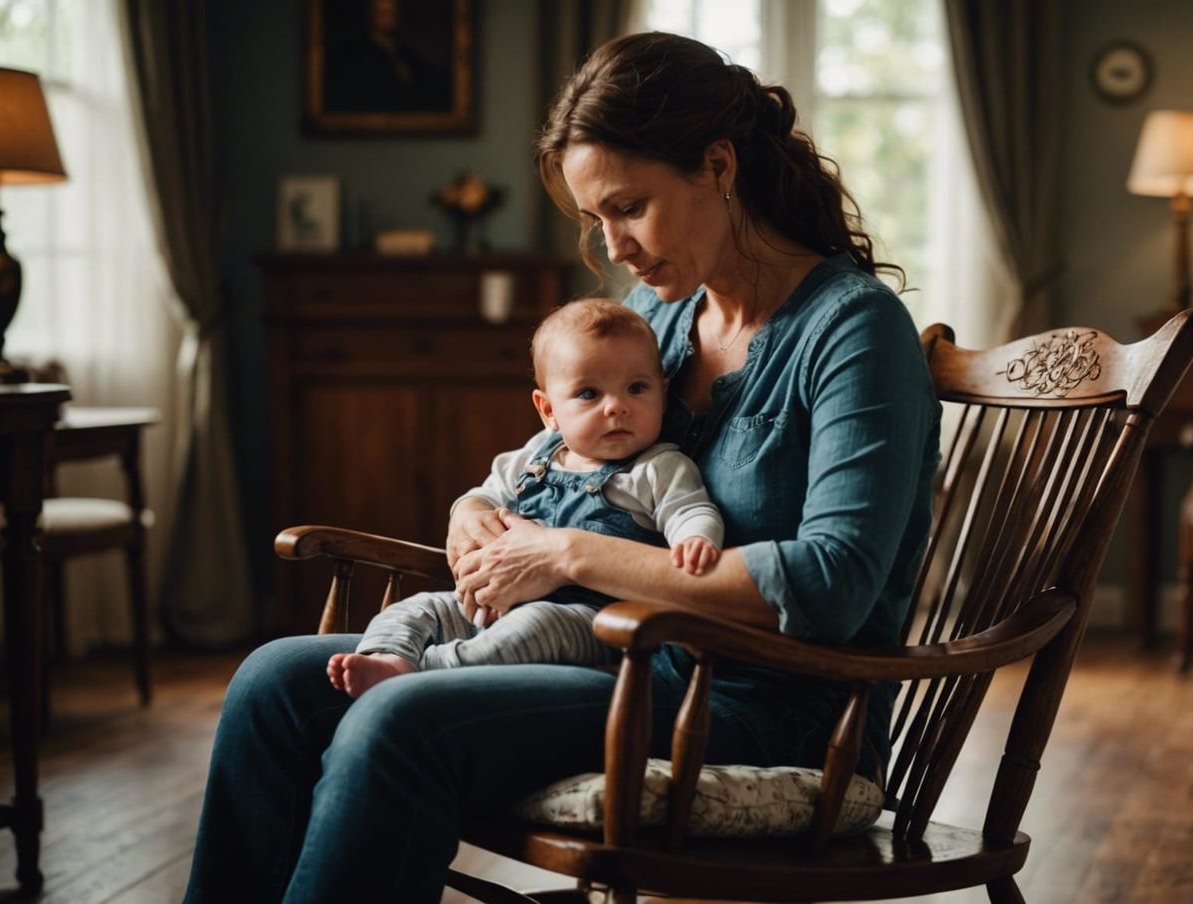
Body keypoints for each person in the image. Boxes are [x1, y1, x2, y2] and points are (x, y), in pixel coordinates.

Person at [184, 31, 941, 903]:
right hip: (611, 660)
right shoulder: (657, 319)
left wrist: (568, 555)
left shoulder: (853, 330)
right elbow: (553, 460)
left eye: (630, 207)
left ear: (719, 166)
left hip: (773, 705)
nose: (615, 245)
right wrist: (476, 511)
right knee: (273, 683)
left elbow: (837, 582)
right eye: (597, 220)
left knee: (401, 719)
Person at [326, 299, 724, 698]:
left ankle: (423, 670)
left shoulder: (658, 467)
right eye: (589, 393)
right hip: (498, 603)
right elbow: (482, 498)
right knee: (419, 607)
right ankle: (390, 657)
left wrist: (695, 539)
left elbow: (690, 509)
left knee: (533, 626)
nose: (617, 407)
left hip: (594, 619)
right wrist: (471, 512)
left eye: (637, 388)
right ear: (548, 410)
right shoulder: (535, 457)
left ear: (663, 392)